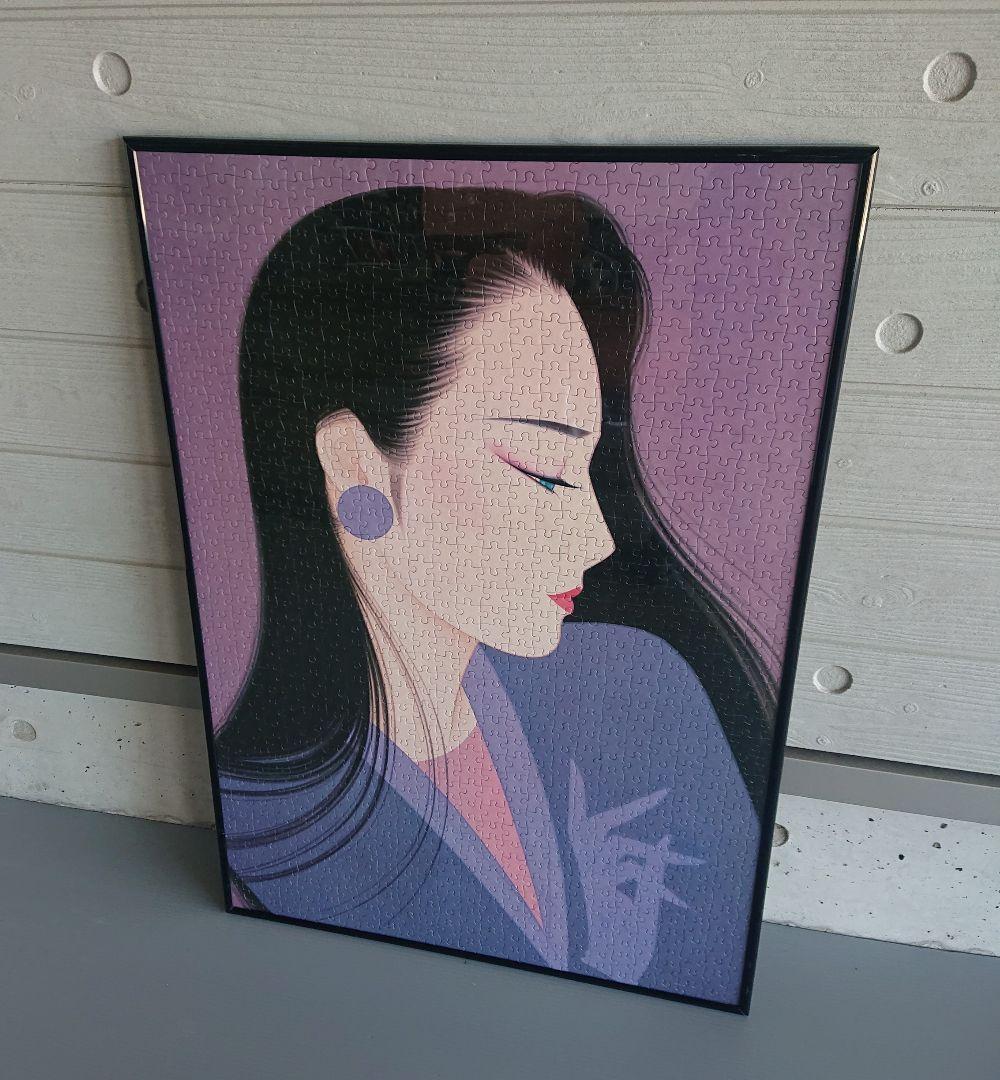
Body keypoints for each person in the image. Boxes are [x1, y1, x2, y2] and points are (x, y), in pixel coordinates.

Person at [216, 185, 772, 1005]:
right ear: (357, 465)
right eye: (544, 471)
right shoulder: (260, 818)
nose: (599, 538)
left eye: (589, 470)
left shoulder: (642, 692)